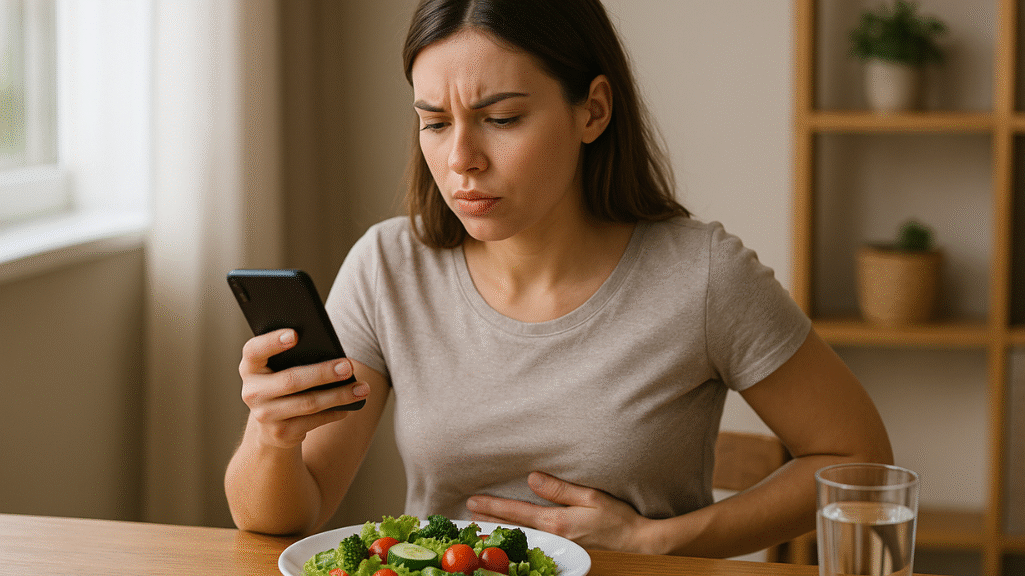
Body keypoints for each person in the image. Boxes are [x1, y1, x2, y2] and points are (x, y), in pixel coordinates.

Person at [225, 0, 893, 558]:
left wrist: (661, 541)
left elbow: (857, 461)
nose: (461, 160)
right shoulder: (387, 267)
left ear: (592, 111)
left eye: (501, 118)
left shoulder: (702, 276)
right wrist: (272, 435)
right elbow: (284, 520)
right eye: (433, 122)